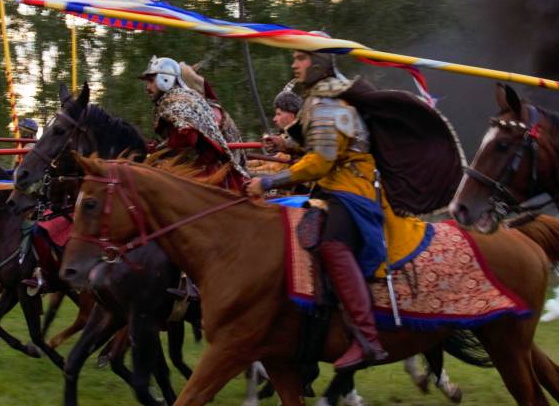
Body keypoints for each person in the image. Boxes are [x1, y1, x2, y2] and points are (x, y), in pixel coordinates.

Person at [247, 52, 428, 371]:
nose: (294, 65)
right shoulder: (322, 99)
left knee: (332, 243)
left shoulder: (330, 102)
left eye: (301, 58)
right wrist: (284, 144)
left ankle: (368, 338)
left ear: (319, 63)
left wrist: (269, 180)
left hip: (352, 190)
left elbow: (321, 162)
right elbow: (316, 146)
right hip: (335, 187)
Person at [140, 56, 247, 191]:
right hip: (210, 168)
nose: (147, 87)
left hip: (207, 173)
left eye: (151, 81)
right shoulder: (182, 98)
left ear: (165, 79)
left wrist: (159, 152)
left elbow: (187, 137)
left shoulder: (177, 101)